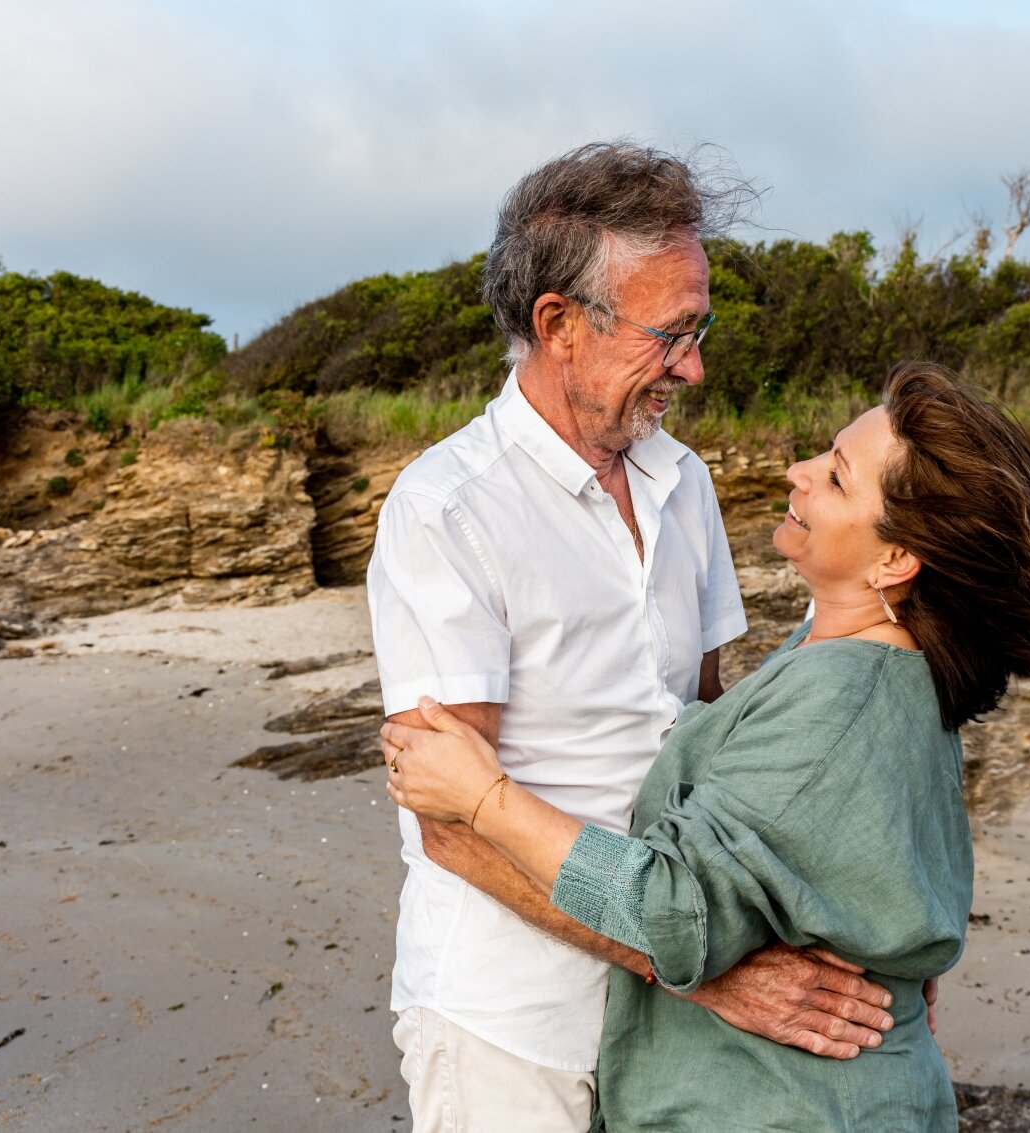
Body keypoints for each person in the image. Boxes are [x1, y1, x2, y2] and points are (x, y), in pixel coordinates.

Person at [384, 361, 1030, 1131]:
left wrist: (483, 796)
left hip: (787, 1105)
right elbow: (795, 818)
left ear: (895, 559)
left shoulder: (843, 693)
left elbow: (677, 912)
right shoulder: (860, 662)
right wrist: (888, 947)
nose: (798, 471)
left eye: (836, 477)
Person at [366, 143, 898, 1133]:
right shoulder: (447, 509)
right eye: (670, 334)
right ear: (558, 325)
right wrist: (705, 971)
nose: (692, 366)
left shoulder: (683, 481)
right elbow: (450, 823)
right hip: (513, 1025)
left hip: (672, 1022)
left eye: (699, 330)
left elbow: (710, 736)